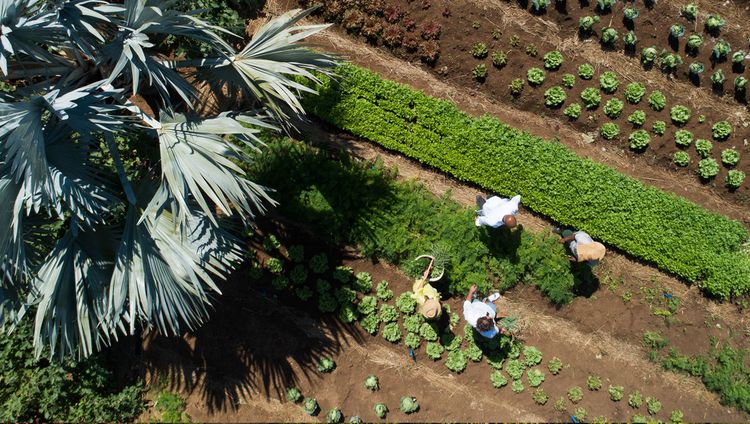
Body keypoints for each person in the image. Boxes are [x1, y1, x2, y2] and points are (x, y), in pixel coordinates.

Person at [411, 255, 443, 320]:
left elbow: (418, 289)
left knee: (421, 283)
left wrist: (424, 278)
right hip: (424, 287)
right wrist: (425, 277)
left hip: (421, 286)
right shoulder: (433, 305)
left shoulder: (421, 299)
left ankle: (424, 280)